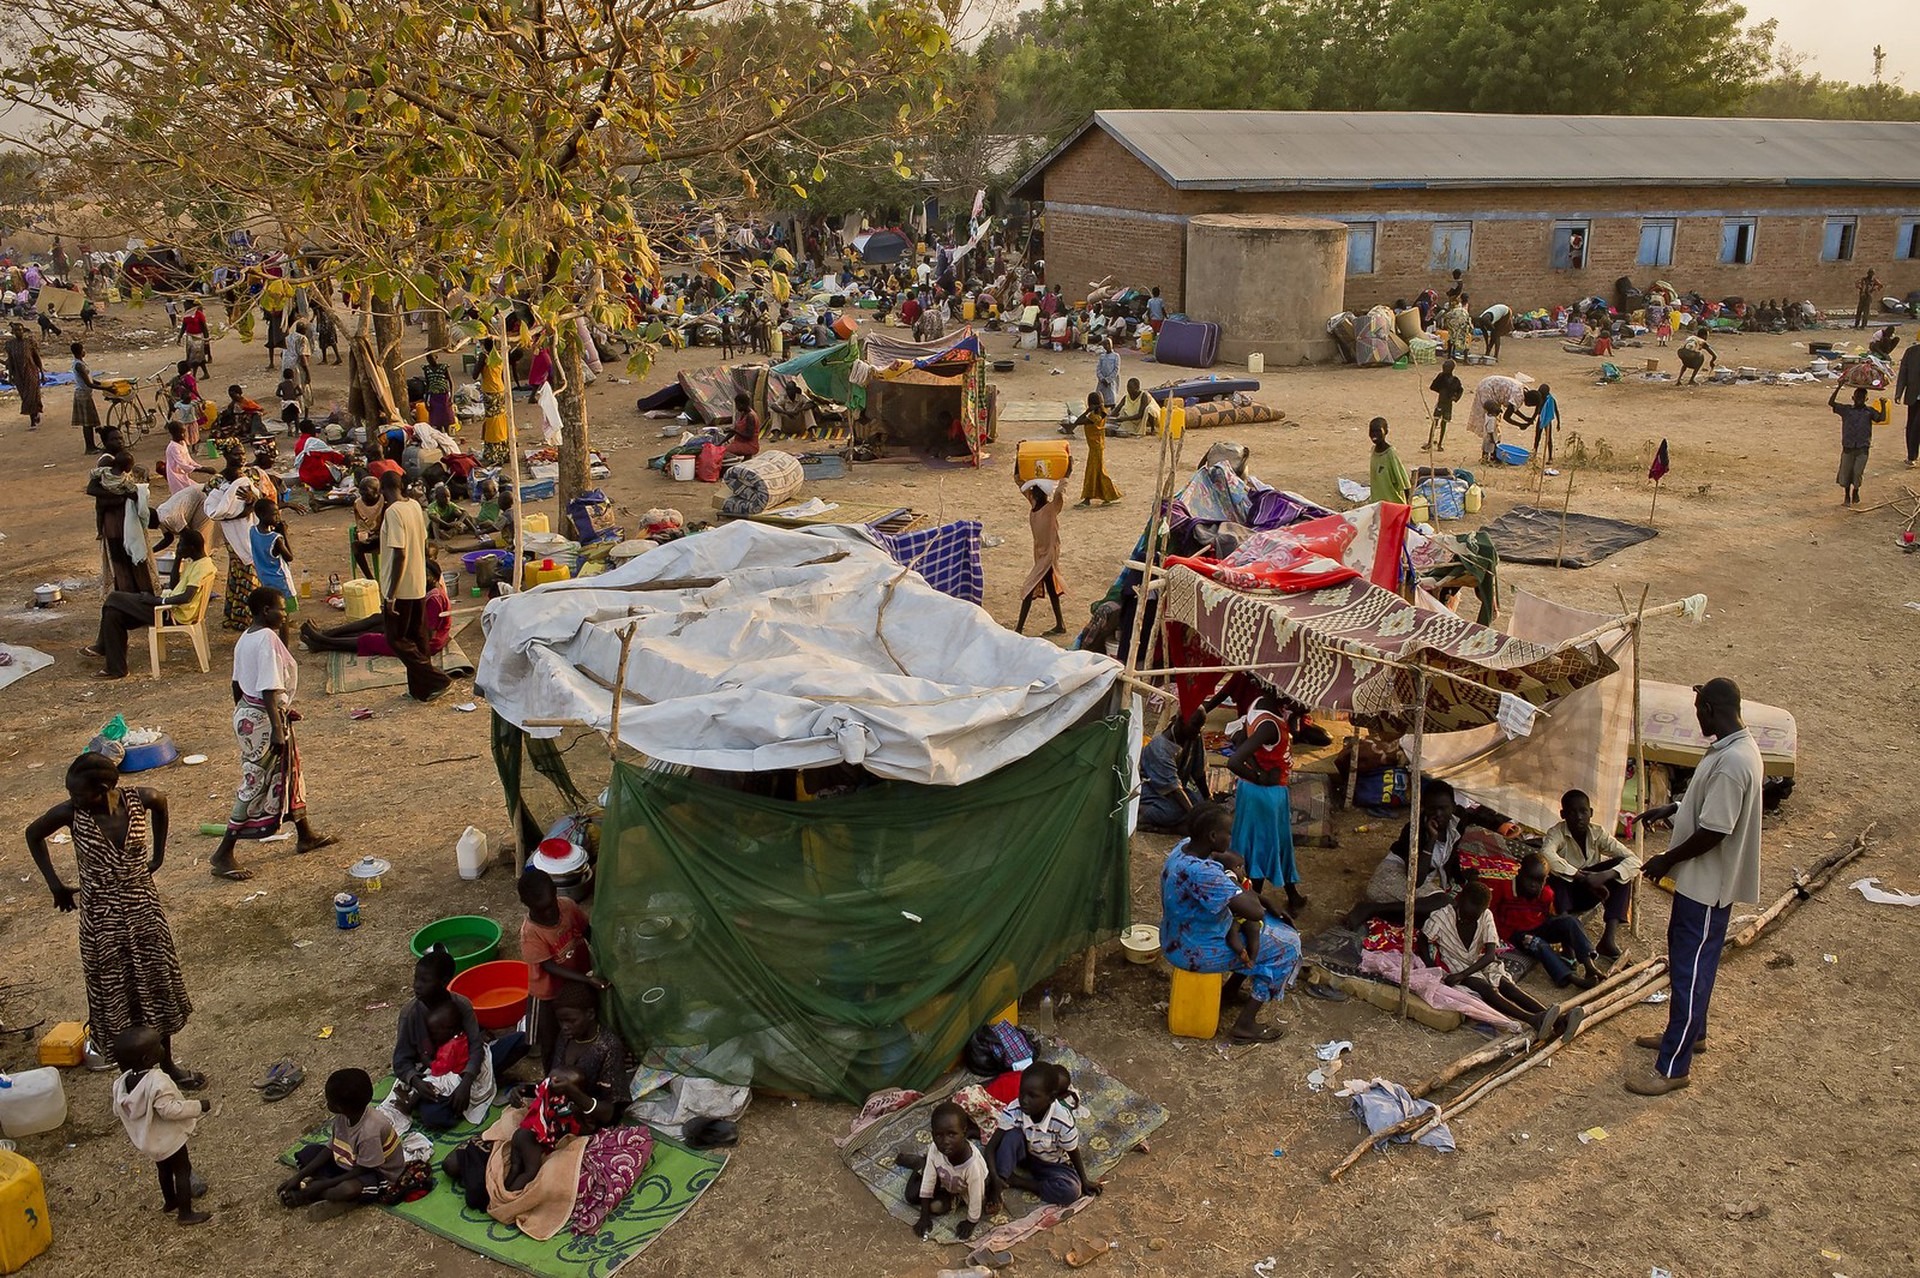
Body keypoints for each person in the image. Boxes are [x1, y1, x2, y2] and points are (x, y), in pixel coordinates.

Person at [24, 753, 201, 1081]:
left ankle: (167, 1066)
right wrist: (55, 886)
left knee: (155, 987)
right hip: (101, 917)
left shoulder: (141, 799)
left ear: (105, 788)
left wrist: (158, 856)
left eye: (80, 794)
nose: (73, 800)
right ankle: (131, 1075)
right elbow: (32, 834)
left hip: (143, 910)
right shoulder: (70, 814)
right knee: (115, 994)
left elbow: (161, 806)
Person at [1628, 677, 1764, 1096]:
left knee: (1690, 973)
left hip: (1707, 888)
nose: (1697, 718)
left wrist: (1666, 860)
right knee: (1692, 965)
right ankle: (1694, 1032)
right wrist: (1672, 807)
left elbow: (1714, 830)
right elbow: (1707, 803)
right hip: (1700, 886)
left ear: (1709, 709)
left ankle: (1673, 1066)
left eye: (1698, 710)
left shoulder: (1735, 761)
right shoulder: (1731, 747)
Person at [207, 587, 336, 881]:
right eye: (281, 609)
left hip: (250, 714)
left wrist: (250, 714)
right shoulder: (264, 639)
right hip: (265, 721)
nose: (285, 613)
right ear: (265, 610)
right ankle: (223, 852)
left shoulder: (249, 637)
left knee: (289, 774)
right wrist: (276, 728)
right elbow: (268, 686)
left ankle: (305, 834)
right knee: (256, 781)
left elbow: (237, 685)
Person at [1159, 804, 1300, 1043]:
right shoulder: (1204, 874)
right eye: (1229, 833)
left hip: (1177, 937)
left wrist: (1257, 894)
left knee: (1256, 933)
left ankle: (1231, 990)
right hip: (1197, 951)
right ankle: (1245, 1025)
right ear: (1213, 836)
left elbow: (1219, 857)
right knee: (1287, 946)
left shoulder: (1182, 848)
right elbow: (1254, 912)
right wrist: (1260, 897)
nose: (1232, 838)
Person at [1423, 882, 1563, 1042]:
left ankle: (1556, 1019)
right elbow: (1423, 938)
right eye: (1466, 915)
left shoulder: (1485, 915)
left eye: (1473, 917)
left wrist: (1462, 975)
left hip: (1480, 960)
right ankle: (1532, 1019)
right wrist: (1430, 964)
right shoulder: (1441, 917)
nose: (1468, 920)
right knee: (1487, 990)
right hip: (1456, 962)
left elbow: (1490, 955)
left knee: (1508, 987)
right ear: (1459, 901)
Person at [384, 944, 496, 1134]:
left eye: (425, 981)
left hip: (464, 1064)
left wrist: (466, 1082)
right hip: (432, 1074)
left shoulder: (461, 1004)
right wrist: (417, 1082)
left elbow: (475, 1046)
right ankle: (446, 1101)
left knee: (518, 1043)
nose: (417, 985)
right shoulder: (410, 1013)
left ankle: (457, 1097)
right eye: (416, 979)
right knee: (434, 1117)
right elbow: (401, 1059)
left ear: (444, 981)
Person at [111, 1025, 212, 1227]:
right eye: (158, 1046)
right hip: (168, 1139)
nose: (163, 1048)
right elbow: (169, 1110)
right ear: (147, 1059)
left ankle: (170, 1201)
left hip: (150, 1139)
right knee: (183, 1171)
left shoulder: (122, 1084)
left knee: (164, 1170)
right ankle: (186, 1213)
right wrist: (198, 1106)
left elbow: (118, 1110)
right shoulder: (157, 1080)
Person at [83, 528, 215, 680]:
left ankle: (103, 648)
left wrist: (158, 601)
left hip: (171, 613)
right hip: (169, 609)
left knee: (114, 598)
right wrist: (177, 560)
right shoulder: (197, 562)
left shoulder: (202, 567)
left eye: (181, 545)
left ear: (191, 548)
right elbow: (174, 586)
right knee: (113, 614)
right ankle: (116, 668)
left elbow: (186, 597)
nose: (178, 548)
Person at [277, 1068, 406, 1212]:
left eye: (329, 1101)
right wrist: (300, 1175)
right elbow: (331, 1147)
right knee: (307, 1153)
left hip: (377, 1174)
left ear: (340, 1107)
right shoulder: (344, 1116)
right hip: (351, 1163)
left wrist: (321, 1186)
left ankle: (315, 1194)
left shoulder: (370, 1132)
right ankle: (325, 1189)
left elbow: (364, 1169)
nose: (327, 1104)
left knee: (347, 1190)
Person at [1224, 690, 1306, 912]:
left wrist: (1258, 769)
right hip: (1266, 794)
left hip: (1254, 791)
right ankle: (1252, 905)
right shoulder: (1270, 726)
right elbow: (1234, 761)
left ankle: (1292, 895)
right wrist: (1260, 776)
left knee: (1272, 843)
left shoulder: (1258, 704)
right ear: (1284, 696)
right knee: (1261, 849)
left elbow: (1241, 737)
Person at [519, 867, 607, 1071]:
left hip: (577, 977)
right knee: (549, 1036)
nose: (550, 913)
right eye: (542, 910)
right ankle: (549, 1076)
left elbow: (588, 931)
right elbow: (549, 966)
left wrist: (602, 961)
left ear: (555, 892)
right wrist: (586, 980)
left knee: (580, 1024)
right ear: (527, 905)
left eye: (552, 905)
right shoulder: (531, 932)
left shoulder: (567, 907)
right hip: (547, 992)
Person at [1539, 788, 1639, 958]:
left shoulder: (1597, 833)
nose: (1579, 817)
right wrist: (1580, 876)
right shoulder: (1556, 833)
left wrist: (1605, 875)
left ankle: (1608, 940)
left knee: (1622, 870)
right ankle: (1567, 943)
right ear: (1563, 814)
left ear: (1591, 812)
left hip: (1593, 890)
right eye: (1572, 812)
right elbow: (1546, 854)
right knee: (1555, 875)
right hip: (1567, 894)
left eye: (1583, 811)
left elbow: (1634, 860)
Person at [378, 470, 452, 699]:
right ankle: (420, 688)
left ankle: (436, 678)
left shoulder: (393, 512)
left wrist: (390, 595)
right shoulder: (414, 507)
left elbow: (399, 553)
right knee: (417, 638)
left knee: (397, 639)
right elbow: (421, 543)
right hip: (417, 582)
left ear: (383, 490)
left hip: (401, 587)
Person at [987, 1063, 1099, 1205]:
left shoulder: (1062, 1120)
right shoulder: (1015, 1109)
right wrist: (995, 1175)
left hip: (1052, 1164)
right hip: (1026, 1156)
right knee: (1011, 1136)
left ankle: (1016, 1181)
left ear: (1051, 1098)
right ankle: (999, 1184)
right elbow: (991, 1146)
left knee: (1072, 1190)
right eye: (1022, 1092)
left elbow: (1073, 1151)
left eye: (1033, 1096)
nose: (1024, 1100)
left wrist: (1085, 1181)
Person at [1488, 852, 1603, 989]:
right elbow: (1490, 916)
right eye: (1529, 879)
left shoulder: (1546, 894)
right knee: (1538, 943)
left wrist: (1567, 948)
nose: (1533, 885)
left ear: (1545, 880)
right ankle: (1571, 978)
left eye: (1539, 881)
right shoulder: (1503, 889)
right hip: (1515, 934)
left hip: (1538, 926)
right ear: (1519, 873)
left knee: (1570, 922)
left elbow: (1550, 916)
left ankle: (1589, 966)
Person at [303, 560, 452, 658]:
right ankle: (327, 635)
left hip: (426, 644)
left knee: (370, 639)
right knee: (379, 620)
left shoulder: (434, 599)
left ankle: (322, 641)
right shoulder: (428, 591)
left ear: (433, 578)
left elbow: (428, 634)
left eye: (424, 576)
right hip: (419, 634)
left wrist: (402, 631)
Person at [906, 1101, 992, 1240]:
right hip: (945, 1180)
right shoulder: (935, 1148)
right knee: (910, 1196)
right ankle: (919, 1165)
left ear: (964, 1132)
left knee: (937, 1207)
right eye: (939, 1135)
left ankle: (921, 1162)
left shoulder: (972, 1165)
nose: (945, 1141)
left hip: (961, 1189)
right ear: (933, 1135)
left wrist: (971, 1222)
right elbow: (929, 1180)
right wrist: (924, 1216)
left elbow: (977, 1196)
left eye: (952, 1134)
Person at [506, 1069, 592, 1190]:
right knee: (529, 1173)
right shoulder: (564, 1107)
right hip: (531, 1140)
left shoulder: (545, 1098)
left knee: (515, 1167)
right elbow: (577, 1127)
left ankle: (502, 1190)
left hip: (521, 1133)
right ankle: (508, 1197)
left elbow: (534, 1089)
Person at [89, 450, 157, 596]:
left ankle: (134, 591)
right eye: (116, 439)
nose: (119, 442)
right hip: (115, 522)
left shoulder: (109, 472)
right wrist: (122, 494)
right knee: (123, 558)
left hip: (121, 520)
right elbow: (92, 490)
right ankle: (130, 593)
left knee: (130, 558)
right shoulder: (106, 464)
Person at [1137, 708, 1209, 832]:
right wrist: (1194, 818)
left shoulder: (1194, 735)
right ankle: (1143, 814)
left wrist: (1208, 798)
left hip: (1175, 790)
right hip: (1153, 790)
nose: (1198, 732)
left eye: (1201, 727)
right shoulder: (1160, 748)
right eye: (1195, 726)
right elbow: (1174, 789)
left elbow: (1198, 772)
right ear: (1181, 721)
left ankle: (1177, 825)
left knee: (1201, 805)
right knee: (1173, 811)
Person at [1014, 478, 1067, 636]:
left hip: (1049, 554)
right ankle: (1060, 624)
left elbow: (1060, 493)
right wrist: (1019, 457)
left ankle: (1019, 628)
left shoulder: (1051, 509)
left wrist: (1066, 474)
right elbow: (1019, 482)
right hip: (1040, 554)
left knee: (1028, 588)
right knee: (1050, 586)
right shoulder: (1035, 506)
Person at [1071, 393, 1120, 507]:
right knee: (1097, 472)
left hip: (1095, 448)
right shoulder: (1102, 413)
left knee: (1092, 473)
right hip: (1097, 447)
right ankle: (1108, 496)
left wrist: (1087, 410)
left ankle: (1088, 498)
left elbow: (1077, 422)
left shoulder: (1094, 417)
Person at [1470, 373, 1531, 463]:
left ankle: (1491, 457)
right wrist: (1520, 424)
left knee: (1492, 444)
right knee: (1490, 445)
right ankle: (1491, 458)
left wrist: (1525, 419)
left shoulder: (1521, 390)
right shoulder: (1492, 418)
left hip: (1490, 385)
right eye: (1498, 410)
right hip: (1487, 388)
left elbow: (1512, 408)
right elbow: (1507, 416)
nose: (1500, 411)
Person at [1831, 383, 1875, 506]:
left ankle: (1855, 491)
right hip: (1848, 447)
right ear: (1853, 398)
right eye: (1857, 397)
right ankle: (1847, 496)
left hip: (1862, 448)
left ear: (1866, 399)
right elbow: (1831, 403)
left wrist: (1882, 404)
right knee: (1846, 473)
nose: (1859, 400)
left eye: (1862, 398)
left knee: (1857, 473)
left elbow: (1881, 418)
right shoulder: (1846, 410)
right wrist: (1838, 387)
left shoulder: (1869, 412)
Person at [250, 496, 297, 610]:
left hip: (265, 579)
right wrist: (283, 534)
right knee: (284, 614)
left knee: (273, 609)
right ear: (262, 515)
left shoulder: (253, 530)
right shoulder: (276, 539)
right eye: (274, 514)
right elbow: (289, 557)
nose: (278, 518)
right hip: (280, 581)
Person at [477, 337, 511, 466]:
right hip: (500, 389)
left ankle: (494, 454)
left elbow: (474, 374)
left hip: (490, 392)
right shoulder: (499, 355)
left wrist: (480, 363)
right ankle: (505, 451)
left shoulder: (484, 356)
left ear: (484, 345)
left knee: (492, 422)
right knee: (501, 420)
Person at [6, 320, 45, 431]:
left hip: (31, 371)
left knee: (32, 395)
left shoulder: (29, 342)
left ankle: (33, 420)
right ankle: (35, 413)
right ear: (13, 332)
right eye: (16, 330)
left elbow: (36, 358)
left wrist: (42, 373)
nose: (19, 332)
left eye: (20, 330)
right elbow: (11, 362)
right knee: (25, 396)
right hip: (18, 374)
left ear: (23, 331)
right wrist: (10, 377)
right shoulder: (10, 345)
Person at [70, 341, 106, 453]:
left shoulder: (80, 363)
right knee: (87, 423)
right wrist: (106, 388)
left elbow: (90, 379)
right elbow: (88, 383)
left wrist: (101, 383)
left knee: (90, 422)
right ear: (81, 351)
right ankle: (89, 447)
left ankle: (92, 446)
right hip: (83, 395)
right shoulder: (79, 365)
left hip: (85, 394)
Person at [1368, 417, 1410, 505]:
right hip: (1378, 505)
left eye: (1378, 431)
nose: (1374, 434)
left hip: (1393, 506)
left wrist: (1408, 508)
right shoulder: (1373, 452)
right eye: (1372, 431)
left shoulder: (1390, 454)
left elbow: (1404, 483)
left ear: (1386, 432)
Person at [349, 474, 384, 581]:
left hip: (384, 535)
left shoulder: (384, 501)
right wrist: (362, 534)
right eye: (362, 494)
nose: (364, 498)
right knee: (356, 546)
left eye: (368, 495)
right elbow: (361, 524)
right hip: (370, 537)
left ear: (377, 492)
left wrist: (377, 533)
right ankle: (370, 578)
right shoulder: (358, 504)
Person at [1427, 359, 1462, 450]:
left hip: (1445, 403)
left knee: (1440, 423)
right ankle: (1432, 443)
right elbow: (1433, 387)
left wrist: (1452, 396)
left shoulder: (1452, 380)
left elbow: (1460, 390)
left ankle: (1437, 443)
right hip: (1444, 403)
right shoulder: (1450, 379)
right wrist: (1453, 397)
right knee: (1438, 423)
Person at [1897, 333, 1920, 469]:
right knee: (1911, 425)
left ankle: (1912, 456)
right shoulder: (1911, 353)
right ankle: (1911, 455)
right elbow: (1903, 374)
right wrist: (1899, 393)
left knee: (1917, 425)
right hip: (1913, 396)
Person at [422, 352, 455, 432]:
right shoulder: (427, 369)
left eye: (431, 358)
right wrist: (426, 401)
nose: (430, 360)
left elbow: (451, 382)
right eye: (428, 359)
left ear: (436, 357)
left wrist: (452, 397)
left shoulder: (443, 367)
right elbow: (428, 384)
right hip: (433, 396)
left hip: (444, 396)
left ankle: (447, 437)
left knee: (446, 420)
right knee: (437, 422)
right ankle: (442, 437)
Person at [723, 392, 761, 460]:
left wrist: (734, 431)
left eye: (737, 405)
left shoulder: (750, 417)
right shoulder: (744, 414)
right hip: (742, 443)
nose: (737, 407)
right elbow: (734, 431)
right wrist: (721, 442)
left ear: (742, 404)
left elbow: (749, 436)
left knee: (723, 451)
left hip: (749, 445)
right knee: (723, 447)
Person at [282, 319, 311, 389]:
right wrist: (308, 373)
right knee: (299, 385)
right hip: (296, 365)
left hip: (286, 364)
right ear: (303, 330)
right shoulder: (302, 338)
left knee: (287, 385)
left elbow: (282, 353)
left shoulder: (288, 337)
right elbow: (302, 356)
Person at [1443, 295, 1472, 362]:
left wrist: (1447, 325)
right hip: (1462, 329)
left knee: (1451, 341)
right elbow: (1468, 320)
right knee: (1465, 343)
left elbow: (1446, 317)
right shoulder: (1464, 311)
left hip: (1454, 329)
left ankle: (1450, 356)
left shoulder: (1454, 310)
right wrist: (1470, 328)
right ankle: (1465, 359)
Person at [1094, 338, 1120, 408]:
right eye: (1105, 344)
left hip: (1111, 381)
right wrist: (1102, 378)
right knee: (1100, 397)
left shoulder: (1116, 356)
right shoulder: (1102, 356)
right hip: (1102, 381)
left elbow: (1116, 369)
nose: (1107, 346)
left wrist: (1108, 380)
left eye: (1108, 344)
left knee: (1111, 397)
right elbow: (1098, 368)